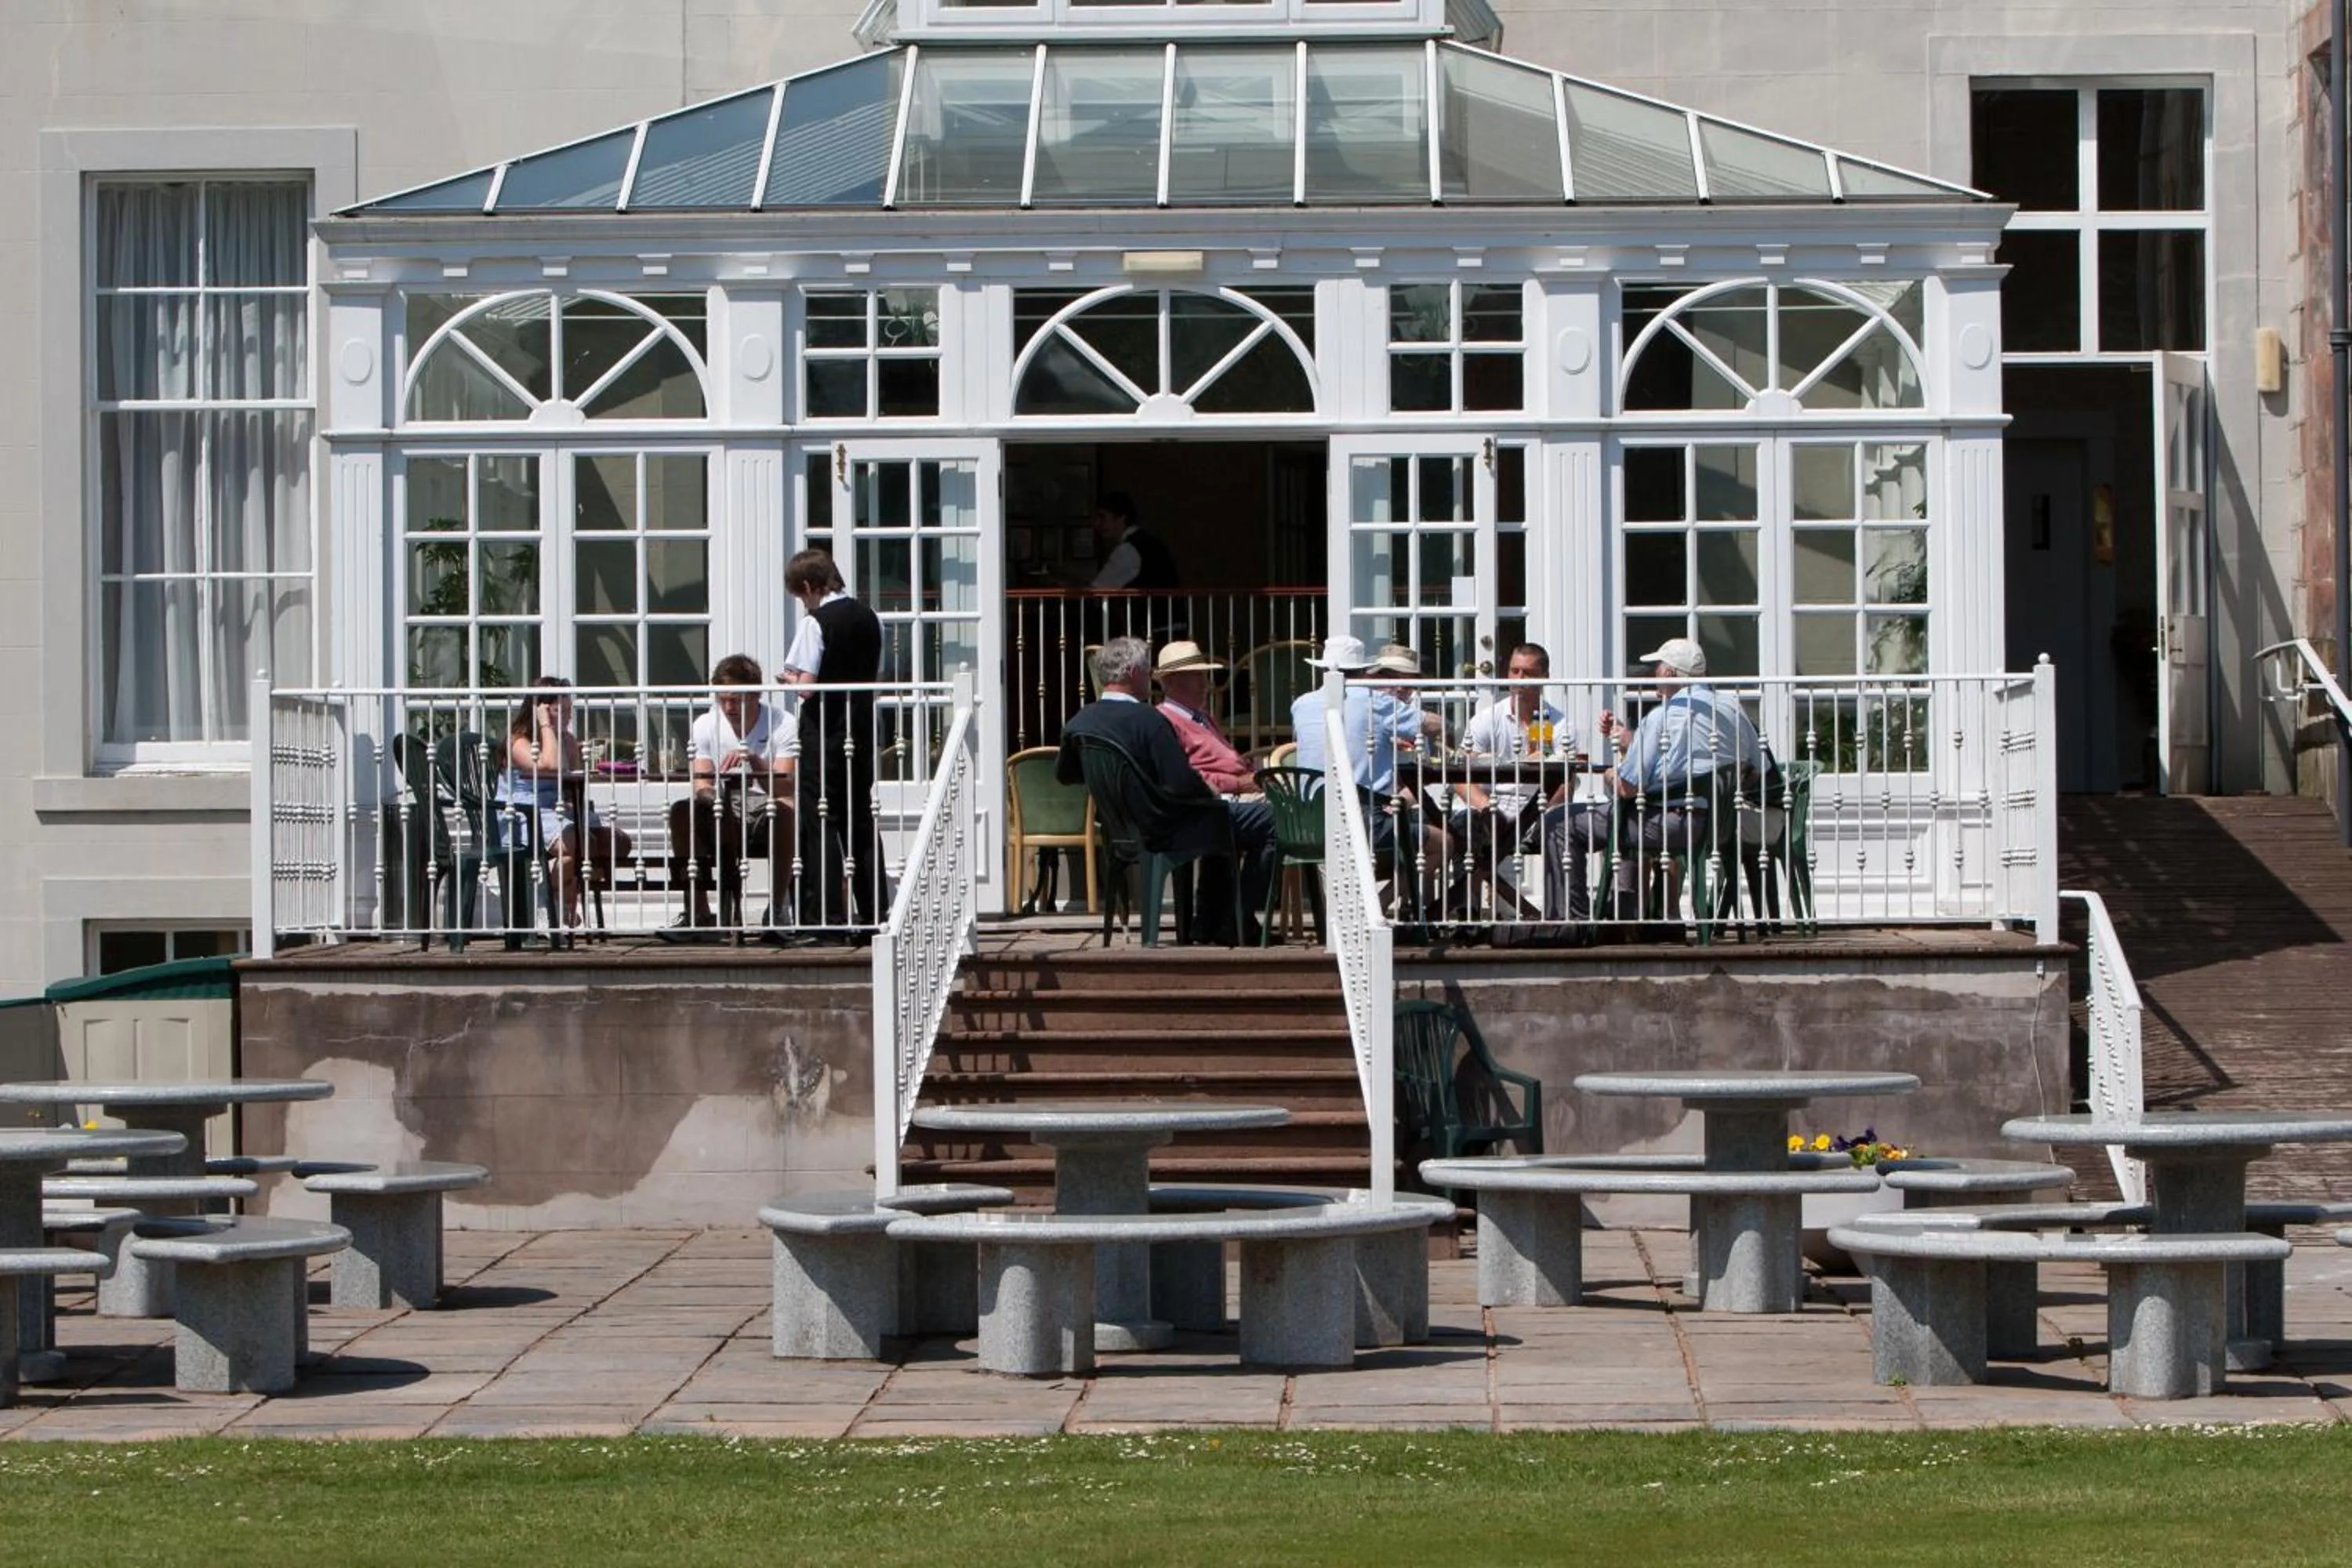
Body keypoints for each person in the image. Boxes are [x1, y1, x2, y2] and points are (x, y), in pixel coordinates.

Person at [1058, 636, 1271, 945]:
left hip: (1122, 829)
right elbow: (1181, 783)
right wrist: (1218, 792)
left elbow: (1066, 775)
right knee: (1272, 821)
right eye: (1146, 672)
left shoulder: (1079, 721)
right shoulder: (1150, 720)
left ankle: (1215, 920)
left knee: (1230, 820)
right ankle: (1236, 918)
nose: (1149, 679)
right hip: (1167, 828)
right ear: (1132, 673)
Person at [1545, 636, 1764, 929]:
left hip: (1670, 824)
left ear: (1670, 673)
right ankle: (1633, 917)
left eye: (1658, 667)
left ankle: (1569, 921)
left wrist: (1613, 775)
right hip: (1718, 824)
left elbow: (1627, 788)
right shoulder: (1732, 708)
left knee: (1560, 822)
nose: (1654, 674)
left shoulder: (1661, 717)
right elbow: (1756, 771)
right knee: (1628, 818)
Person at [1289, 634, 1446, 916]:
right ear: (1365, 673)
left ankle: (1383, 907)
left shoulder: (1301, 704)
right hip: (1362, 822)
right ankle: (1379, 905)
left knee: (1408, 819)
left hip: (1307, 822)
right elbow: (1435, 725)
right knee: (1443, 843)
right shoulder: (1374, 701)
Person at [783, 548, 886, 932]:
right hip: (860, 730)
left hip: (824, 732)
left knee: (821, 816)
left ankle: (823, 914)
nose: (803, 604)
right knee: (859, 816)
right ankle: (874, 907)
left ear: (809, 587)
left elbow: (807, 688)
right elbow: (874, 677)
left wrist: (788, 680)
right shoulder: (871, 617)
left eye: (801, 596)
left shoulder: (816, 623)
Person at [663, 653, 796, 937]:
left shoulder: (782, 722)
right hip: (721, 806)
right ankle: (698, 912)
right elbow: (701, 784)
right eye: (722, 699)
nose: (728, 707)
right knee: (682, 812)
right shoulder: (704, 724)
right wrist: (717, 800)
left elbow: (785, 787)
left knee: (785, 809)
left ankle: (777, 909)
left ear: (756, 694)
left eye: (736, 699)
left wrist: (755, 761)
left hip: (765, 805)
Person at [495, 676, 632, 935]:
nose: (568, 717)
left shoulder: (566, 740)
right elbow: (551, 766)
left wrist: (572, 803)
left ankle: (565, 898)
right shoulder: (518, 742)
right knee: (576, 843)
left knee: (616, 843)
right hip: (525, 814)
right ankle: (551, 907)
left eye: (570, 710)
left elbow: (572, 780)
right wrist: (546, 725)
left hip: (559, 811)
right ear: (539, 709)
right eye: (561, 710)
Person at [1454, 643, 1580, 916]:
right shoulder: (1488, 718)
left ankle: (1549, 915)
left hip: (1538, 810)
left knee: (1566, 788)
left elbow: (1566, 778)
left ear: (1544, 678)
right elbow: (1459, 776)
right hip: (1490, 807)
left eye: (1528, 673)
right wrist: (1484, 805)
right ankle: (1468, 914)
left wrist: (1537, 814)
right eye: (1514, 671)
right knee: (1463, 826)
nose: (1519, 681)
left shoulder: (1557, 724)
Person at [1152, 640, 1257, 796]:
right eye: (1197, 676)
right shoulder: (1164, 721)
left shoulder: (1202, 717)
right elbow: (1185, 777)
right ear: (1170, 682)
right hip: (1220, 799)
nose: (1206, 684)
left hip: (1246, 791)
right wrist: (1238, 784)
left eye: (1205, 676)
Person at [1087, 492, 1178, 591]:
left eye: (1102, 517)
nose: (1097, 524)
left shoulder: (1127, 550)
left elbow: (1099, 588)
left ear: (1121, 518)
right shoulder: (1148, 543)